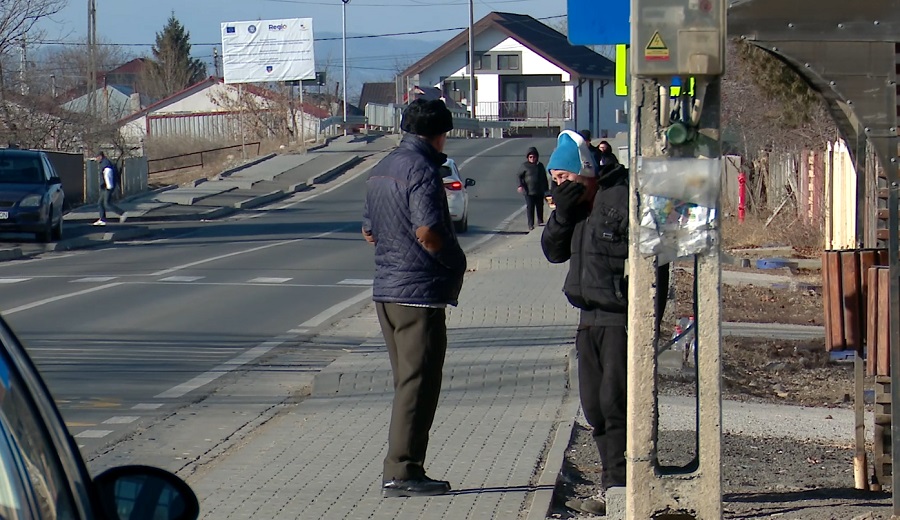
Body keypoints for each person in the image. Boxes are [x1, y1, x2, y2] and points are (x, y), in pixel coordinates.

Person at [540, 130, 668, 515]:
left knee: (617, 402)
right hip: (588, 319)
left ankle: (624, 484)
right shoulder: (573, 207)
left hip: (620, 317)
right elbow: (552, 251)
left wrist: (649, 320)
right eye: (555, 179)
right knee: (594, 406)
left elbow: (655, 260)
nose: (559, 184)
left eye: (565, 177)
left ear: (586, 171)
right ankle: (615, 482)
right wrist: (562, 215)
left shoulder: (622, 196)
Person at [361, 98, 467, 498]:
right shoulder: (422, 170)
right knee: (418, 384)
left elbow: (369, 231)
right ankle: (403, 471)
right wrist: (454, 261)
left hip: (386, 290)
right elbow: (427, 230)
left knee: (407, 381)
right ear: (440, 135)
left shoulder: (381, 168)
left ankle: (404, 468)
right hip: (418, 293)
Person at [517, 147, 550, 230]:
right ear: (528, 157)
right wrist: (520, 185)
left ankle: (540, 222)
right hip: (528, 191)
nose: (532, 159)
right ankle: (530, 225)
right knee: (530, 208)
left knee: (540, 207)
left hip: (539, 191)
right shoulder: (524, 166)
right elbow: (519, 176)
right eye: (530, 157)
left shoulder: (540, 166)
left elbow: (544, 178)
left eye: (534, 157)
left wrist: (546, 190)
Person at [93, 151, 126, 226]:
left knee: (107, 203)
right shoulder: (104, 163)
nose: (96, 159)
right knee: (100, 203)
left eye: (97, 157)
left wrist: (108, 186)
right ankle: (102, 219)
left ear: (100, 156)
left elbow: (108, 174)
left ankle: (122, 213)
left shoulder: (105, 163)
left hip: (107, 187)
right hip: (105, 186)